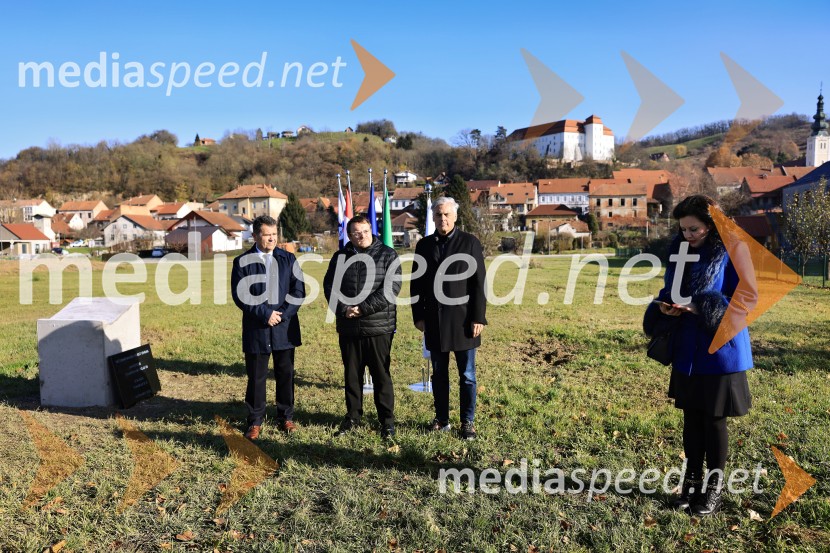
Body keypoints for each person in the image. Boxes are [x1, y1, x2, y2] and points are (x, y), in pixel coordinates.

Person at [643, 195, 754, 516]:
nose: (687, 235)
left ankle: (713, 489)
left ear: (712, 225)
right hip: (687, 348)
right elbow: (670, 289)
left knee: (714, 421)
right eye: (683, 229)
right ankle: (690, 485)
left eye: (694, 229)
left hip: (720, 348)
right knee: (691, 419)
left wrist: (702, 307)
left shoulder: (734, 249)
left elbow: (747, 297)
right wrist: (665, 307)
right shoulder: (679, 250)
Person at [411, 197, 487, 440]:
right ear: (433, 217)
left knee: (467, 375)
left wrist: (478, 317)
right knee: (439, 374)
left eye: (446, 214)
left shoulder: (469, 242)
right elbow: (416, 283)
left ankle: (467, 422)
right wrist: (418, 316)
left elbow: (478, 283)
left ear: (455, 216)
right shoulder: (424, 245)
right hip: (434, 321)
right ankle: (442, 419)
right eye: (438, 215)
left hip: (464, 321)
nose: (442, 219)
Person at [323, 215, 401, 439]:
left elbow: (391, 288)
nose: (362, 236)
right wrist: (343, 309)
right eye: (357, 233)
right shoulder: (340, 257)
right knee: (352, 376)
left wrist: (362, 308)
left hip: (378, 327)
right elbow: (330, 287)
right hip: (349, 327)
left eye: (365, 231)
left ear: (371, 230)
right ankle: (353, 418)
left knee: (381, 375)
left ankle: (387, 421)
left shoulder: (387, 255)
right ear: (349, 235)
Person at [231, 215, 305, 440]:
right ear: (255, 236)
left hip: (284, 328)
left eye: (274, 234)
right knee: (256, 377)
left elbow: (298, 291)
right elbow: (241, 295)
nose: (272, 238)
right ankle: (255, 421)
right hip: (257, 329)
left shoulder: (288, 259)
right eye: (267, 235)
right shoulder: (242, 262)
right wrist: (265, 314)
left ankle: (286, 417)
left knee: (285, 374)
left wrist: (281, 315)